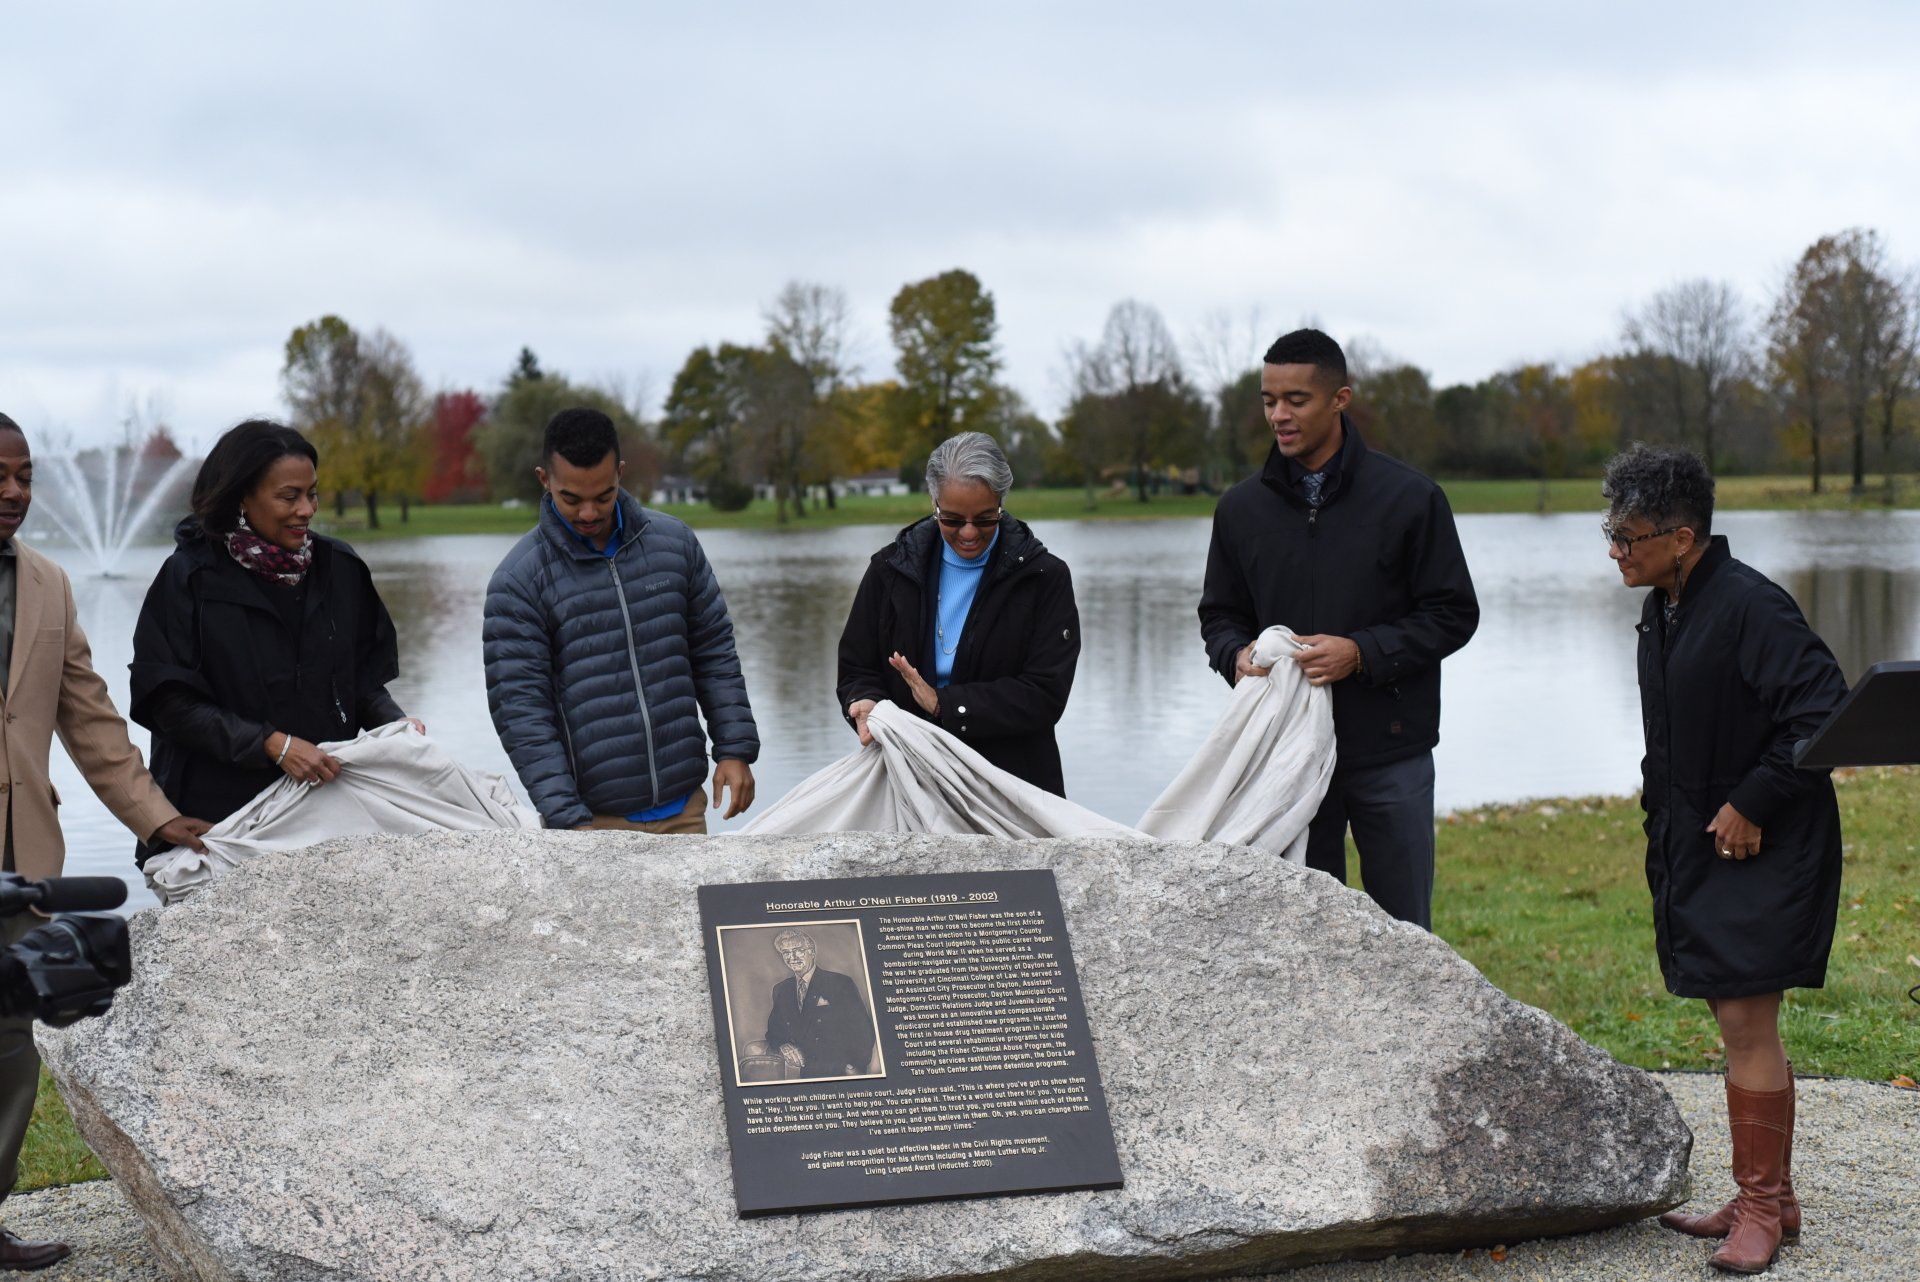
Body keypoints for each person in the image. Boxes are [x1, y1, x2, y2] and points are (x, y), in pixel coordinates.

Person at [1604, 445, 1844, 1275]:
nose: (1616, 550)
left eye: (1629, 536)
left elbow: (1821, 714)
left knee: (1747, 1022)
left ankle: (1759, 1210)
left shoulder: (1749, 606)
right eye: (1612, 532)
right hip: (1700, 842)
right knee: (1733, 1019)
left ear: (1682, 535)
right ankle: (1770, 1199)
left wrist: (1753, 801)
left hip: (1766, 842)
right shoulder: (1667, 606)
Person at [0, 413, 210, 1271]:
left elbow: (89, 719)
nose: (14, 492)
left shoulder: (49, 583)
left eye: (24, 477)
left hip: (23, 859)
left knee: (12, 1050)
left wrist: (157, 819)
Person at [1198, 329, 1478, 928]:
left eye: (1296, 399)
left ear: (1339, 399)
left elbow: (1453, 613)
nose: (1278, 414)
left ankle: (1415, 1026)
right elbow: (1218, 616)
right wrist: (1237, 654)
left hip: (1390, 751)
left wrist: (1362, 652)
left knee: (1406, 936)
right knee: (1305, 936)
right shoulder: (1240, 510)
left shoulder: (1411, 498)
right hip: (1285, 754)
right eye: (1269, 399)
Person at [130, 420, 420, 857]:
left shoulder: (340, 568)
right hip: (214, 820)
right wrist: (272, 744)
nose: (307, 509)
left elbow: (360, 683)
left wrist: (395, 727)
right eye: (289, 496)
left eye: (312, 493)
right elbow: (167, 703)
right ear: (242, 497)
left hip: (321, 811)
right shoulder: (189, 578)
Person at [484, 407, 757, 832]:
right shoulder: (518, 580)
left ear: (621, 474)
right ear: (544, 480)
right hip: (591, 825)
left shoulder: (676, 544)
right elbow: (521, 711)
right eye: (571, 498)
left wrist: (734, 748)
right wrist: (567, 820)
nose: (590, 513)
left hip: (685, 810)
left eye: (604, 496)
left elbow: (714, 651)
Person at [837, 432, 1080, 795]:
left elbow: (1045, 693)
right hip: (910, 778)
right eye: (952, 519)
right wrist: (863, 701)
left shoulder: (1044, 577)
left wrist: (947, 706)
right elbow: (858, 667)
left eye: (985, 519)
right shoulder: (889, 570)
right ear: (934, 502)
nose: (969, 533)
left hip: (1013, 784)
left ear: (1001, 502)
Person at [763, 929, 874, 1078]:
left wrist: (853, 1065)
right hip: (802, 1070)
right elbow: (774, 1031)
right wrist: (783, 1046)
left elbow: (862, 1030)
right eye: (786, 953)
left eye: (798, 950)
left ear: (812, 952)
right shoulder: (781, 989)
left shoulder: (839, 983)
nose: (792, 957)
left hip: (838, 1069)